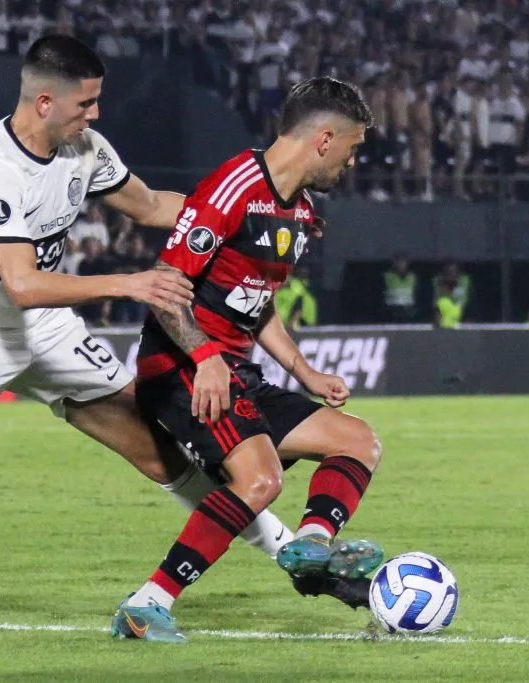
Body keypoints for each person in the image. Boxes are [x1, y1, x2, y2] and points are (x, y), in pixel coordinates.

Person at [0, 35, 297, 647]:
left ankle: (293, 553)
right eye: (85, 104)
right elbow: (23, 284)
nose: (95, 115)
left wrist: (237, 212)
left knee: (163, 453)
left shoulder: (84, 147)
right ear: (44, 102)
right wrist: (134, 283)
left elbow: (150, 206)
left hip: (50, 329)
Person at [112, 78, 384, 643]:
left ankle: (311, 544)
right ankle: (146, 605)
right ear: (325, 139)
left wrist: (305, 373)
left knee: (358, 441)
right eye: (353, 148)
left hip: (233, 371)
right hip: (180, 367)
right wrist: (207, 357)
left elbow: (256, 306)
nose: (353, 162)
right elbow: (167, 286)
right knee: (259, 480)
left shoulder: (301, 213)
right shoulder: (233, 186)